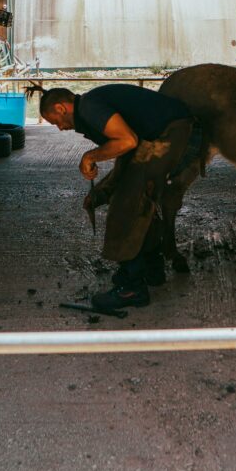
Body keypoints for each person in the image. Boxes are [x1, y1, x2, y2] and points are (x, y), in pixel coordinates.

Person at [39, 84, 199, 311]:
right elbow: (126, 156)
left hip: (173, 133)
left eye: (56, 121)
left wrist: (89, 156)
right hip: (166, 131)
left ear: (61, 108)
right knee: (132, 194)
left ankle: (133, 287)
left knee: (127, 205)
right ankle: (152, 269)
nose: (60, 128)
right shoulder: (90, 108)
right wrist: (103, 190)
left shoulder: (90, 108)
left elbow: (127, 141)